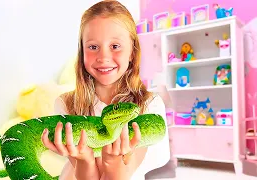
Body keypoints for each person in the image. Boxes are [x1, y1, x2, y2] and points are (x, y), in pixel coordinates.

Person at [41, 1, 170, 179]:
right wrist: (84, 159)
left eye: (115, 46)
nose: (103, 57)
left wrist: (113, 162)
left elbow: (124, 174)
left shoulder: (147, 106)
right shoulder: (67, 104)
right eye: (93, 47)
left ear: (132, 51)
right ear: (82, 51)